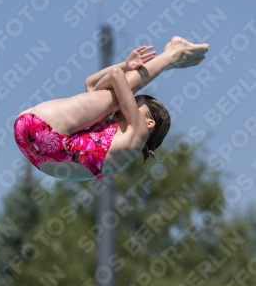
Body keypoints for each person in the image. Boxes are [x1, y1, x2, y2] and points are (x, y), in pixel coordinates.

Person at [14, 36, 209, 181]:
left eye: (135, 100)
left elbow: (116, 76)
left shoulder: (137, 135)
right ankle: (171, 58)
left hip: (43, 132)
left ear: (150, 121)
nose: (129, 100)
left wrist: (126, 68)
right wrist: (126, 66)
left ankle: (173, 56)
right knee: (110, 96)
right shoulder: (112, 138)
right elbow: (90, 83)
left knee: (113, 97)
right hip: (36, 149)